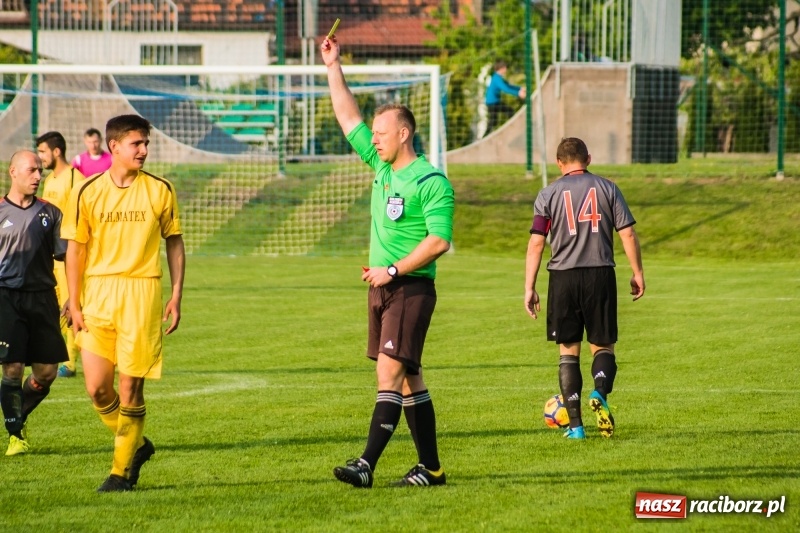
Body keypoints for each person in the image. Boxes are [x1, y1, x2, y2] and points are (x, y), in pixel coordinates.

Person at [321, 33, 455, 488]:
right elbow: (347, 116)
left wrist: (394, 270)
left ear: (404, 133)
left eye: (381, 134)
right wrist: (333, 66)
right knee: (408, 381)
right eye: (373, 135)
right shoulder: (381, 169)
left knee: (389, 373)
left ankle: (365, 465)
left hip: (410, 288)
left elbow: (439, 242)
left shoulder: (431, 180)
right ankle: (431, 470)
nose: (373, 140)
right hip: (382, 287)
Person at [62, 114, 185, 492]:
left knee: (131, 388)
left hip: (142, 293)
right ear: (115, 147)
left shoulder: (160, 190)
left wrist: (177, 293)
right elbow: (75, 250)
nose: (144, 150)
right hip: (98, 295)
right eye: (137, 144)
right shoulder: (87, 191)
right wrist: (74, 299)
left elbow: (174, 241)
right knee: (97, 388)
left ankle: (120, 473)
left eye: (146, 144)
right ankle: (136, 443)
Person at [524, 137, 644, 440]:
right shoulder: (608, 188)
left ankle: (576, 427)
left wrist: (530, 287)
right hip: (600, 274)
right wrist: (638, 272)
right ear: (588, 158)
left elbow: (537, 242)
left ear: (559, 163)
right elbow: (627, 234)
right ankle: (600, 392)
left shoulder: (547, 194)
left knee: (568, 352)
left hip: (562, 278)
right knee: (603, 346)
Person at [0, 150, 69, 456]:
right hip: (6, 296)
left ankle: (18, 416)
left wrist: (74, 298)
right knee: (12, 368)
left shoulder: (51, 214)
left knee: (46, 374)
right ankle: (15, 434)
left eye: (40, 171)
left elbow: (67, 258)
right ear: (12, 172)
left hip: (43, 298)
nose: (38, 176)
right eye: (31, 170)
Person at [36, 131, 86, 378]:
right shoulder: (49, 181)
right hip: (50, 254)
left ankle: (71, 363)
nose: (40, 157)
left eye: (43, 151)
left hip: (70, 255)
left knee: (71, 304)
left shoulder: (76, 178)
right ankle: (49, 354)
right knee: (50, 307)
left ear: (57, 151)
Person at [484, 61, 525, 136]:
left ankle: (515, 129)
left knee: (509, 112)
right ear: (501, 69)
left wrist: (519, 88)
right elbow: (505, 89)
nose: (506, 70)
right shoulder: (497, 78)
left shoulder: (497, 77)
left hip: (495, 102)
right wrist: (518, 93)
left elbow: (508, 86)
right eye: (505, 68)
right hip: (492, 103)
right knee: (493, 121)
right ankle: (484, 137)